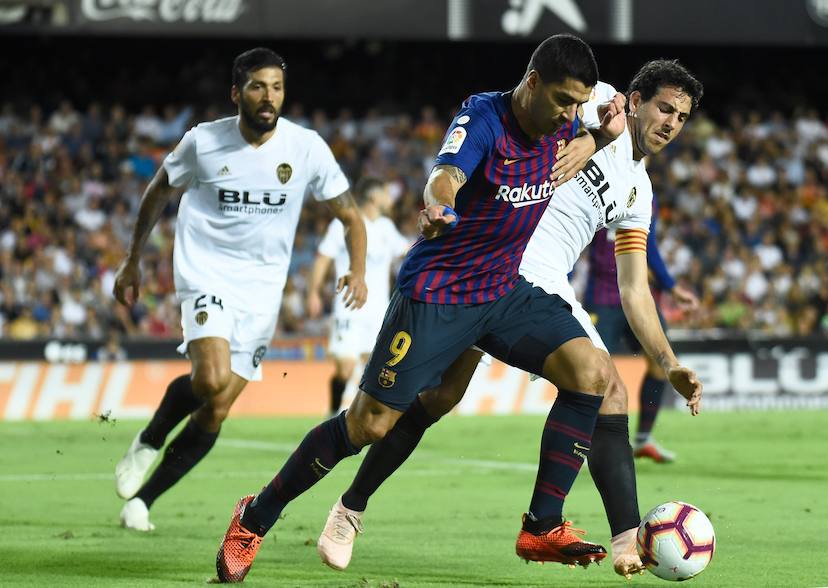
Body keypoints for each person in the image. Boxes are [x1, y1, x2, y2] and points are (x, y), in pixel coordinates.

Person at [216, 34, 615, 583]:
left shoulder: (573, 122)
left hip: (503, 290)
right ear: (531, 83)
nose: (571, 114)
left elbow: (616, 117)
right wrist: (438, 206)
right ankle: (255, 518)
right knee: (368, 425)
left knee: (592, 371)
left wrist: (594, 137)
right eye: (564, 101)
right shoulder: (484, 118)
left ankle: (542, 525)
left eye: (579, 104)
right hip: (440, 294)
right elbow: (445, 176)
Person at [313, 60, 705, 580]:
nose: (671, 123)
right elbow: (538, 101)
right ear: (635, 100)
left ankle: (609, 537)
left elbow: (635, 290)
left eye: (681, 117)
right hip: (491, 257)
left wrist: (669, 362)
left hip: (540, 284)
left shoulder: (639, 192)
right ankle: (353, 508)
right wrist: (591, 136)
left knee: (453, 397)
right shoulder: (598, 98)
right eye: (664, 108)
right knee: (432, 401)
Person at [112, 47, 367, 532]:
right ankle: (148, 439)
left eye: (276, 87)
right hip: (206, 271)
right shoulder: (203, 142)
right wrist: (132, 259)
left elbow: (350, 214)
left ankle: (143, 501)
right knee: (208, 379)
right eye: (257, 87)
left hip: (262, 290)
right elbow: (158, 191)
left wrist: (357, 269)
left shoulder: (306, 147)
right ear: (236, 93)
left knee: (220, 404)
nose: (268, 97)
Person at [586, 215, 699, 463]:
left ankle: (643, 439)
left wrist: (671, 287)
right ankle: (585, 443)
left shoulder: (647, 196)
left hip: (638, 294)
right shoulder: (596, 180)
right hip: (603, 297)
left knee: (661, 365)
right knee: (593, 372)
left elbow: (650, 247)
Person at [307, 177, 410, 415]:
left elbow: (406, 250)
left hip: (378, 311)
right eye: (386, 193)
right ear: (374, 197)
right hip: (349, 306)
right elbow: (323, 257)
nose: (390, 199)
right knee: (346, 367)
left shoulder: (385, 227)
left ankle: (361, 418)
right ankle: (332, 414)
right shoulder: (344, 225)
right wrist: (313, 292)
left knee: (373, 367)